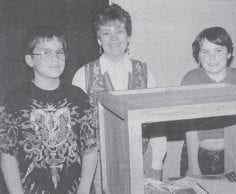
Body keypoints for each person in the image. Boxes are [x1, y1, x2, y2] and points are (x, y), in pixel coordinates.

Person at [72, 3, 167, 184]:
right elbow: (76, 131)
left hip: (141, 161)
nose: (114, 38)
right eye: (106, 33)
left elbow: (158, 123)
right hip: (97, 167)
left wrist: (156, 163)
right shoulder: (82, 75)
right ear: (98, 39)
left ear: (128, 37)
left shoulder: (144, 72)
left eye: (120, 32)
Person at [0, 25, 98, 194]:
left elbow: (90, 149)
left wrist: (84, 189)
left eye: (59, 52)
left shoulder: (79, 97)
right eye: (46, 53)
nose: (55, 58)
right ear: (30, 60)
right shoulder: (14, 101)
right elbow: (8, 155)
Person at [181, 26, 236, 176]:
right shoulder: (191, 80)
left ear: (229, 53)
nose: (212, 57)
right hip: (198, 155)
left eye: (218, 50)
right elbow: (190, 126)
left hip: (235, 156)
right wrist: (193, 166)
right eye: (205, 52)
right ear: (198, 57)